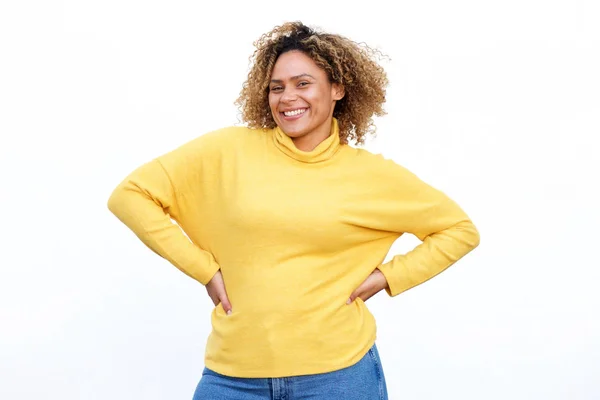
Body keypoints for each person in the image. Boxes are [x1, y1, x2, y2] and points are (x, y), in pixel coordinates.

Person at [107, 21, 480, 400]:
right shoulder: (228, 151)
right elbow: (130, 195)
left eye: (303, 84)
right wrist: (202, 268)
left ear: (337, 88)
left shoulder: (371, 175)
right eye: (277, 87)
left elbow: (459, 230)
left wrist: (387, 277)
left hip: (339, 376)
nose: (288, 97)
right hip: (234, 376)